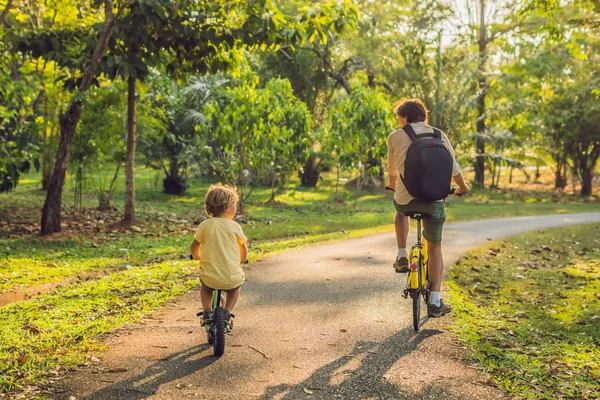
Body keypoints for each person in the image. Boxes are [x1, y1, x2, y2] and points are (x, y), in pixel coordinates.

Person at [386, 98, 469, 318]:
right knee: (435, 247)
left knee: (400, 210)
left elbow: (393, 170)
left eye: (399, 118)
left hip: (407, 200)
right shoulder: (439, 135)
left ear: (403, 118)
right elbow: (453, 166)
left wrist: (393, 185)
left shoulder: (395, 136)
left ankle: (402, 253)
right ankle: (435, 301)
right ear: (425, 117)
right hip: (434, 201)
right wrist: (462, 187)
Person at [190, 183, 248, 328]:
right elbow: (243, 246)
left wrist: (196, 256)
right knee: (235, 288)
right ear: (228, 207)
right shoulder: (234, 226)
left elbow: (195, 245)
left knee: (206, 288)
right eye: (234, 204)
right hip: (230, 276)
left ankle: (207, 311)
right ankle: (227, 312)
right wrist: (243, 259)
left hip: (210, 275)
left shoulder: (205, 225)